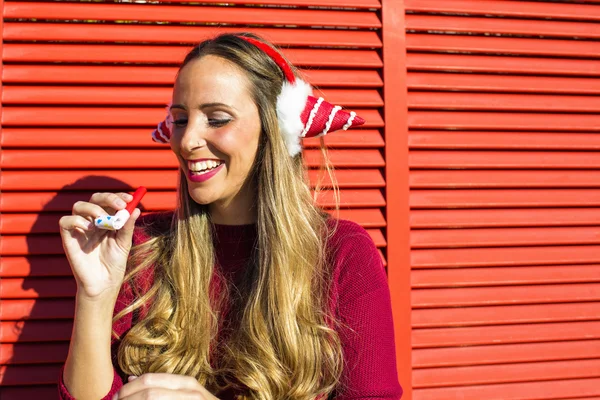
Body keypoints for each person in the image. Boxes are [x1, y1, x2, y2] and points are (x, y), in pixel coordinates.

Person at [57, 32, 402, 400]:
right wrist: (95, 295)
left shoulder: (343, 255)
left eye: (217, 118)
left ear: (274, 129)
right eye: (180, 119)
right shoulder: (139, 246)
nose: (187, 140)